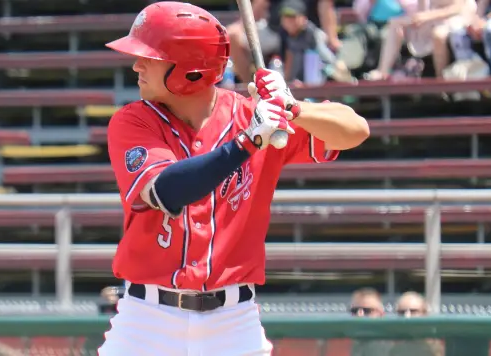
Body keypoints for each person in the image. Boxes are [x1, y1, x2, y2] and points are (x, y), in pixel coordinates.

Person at [100, 2, 369, 355]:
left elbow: (355, 130)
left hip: (233, 320)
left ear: (190, 70)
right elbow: (169, 190)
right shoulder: (134, 122)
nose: (137, 64)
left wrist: (292, 107)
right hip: (147, 320)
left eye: (150, 56)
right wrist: (247, 143)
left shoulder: (254, 117)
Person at [278, 0, 355, 84]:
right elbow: (290, 60)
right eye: (285, 17)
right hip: (299, 82)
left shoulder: (312, 33)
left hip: (322, 76)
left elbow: (327, 57)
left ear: (303, 18)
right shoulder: (286, 35)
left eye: (292, 17)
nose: (288, 21)